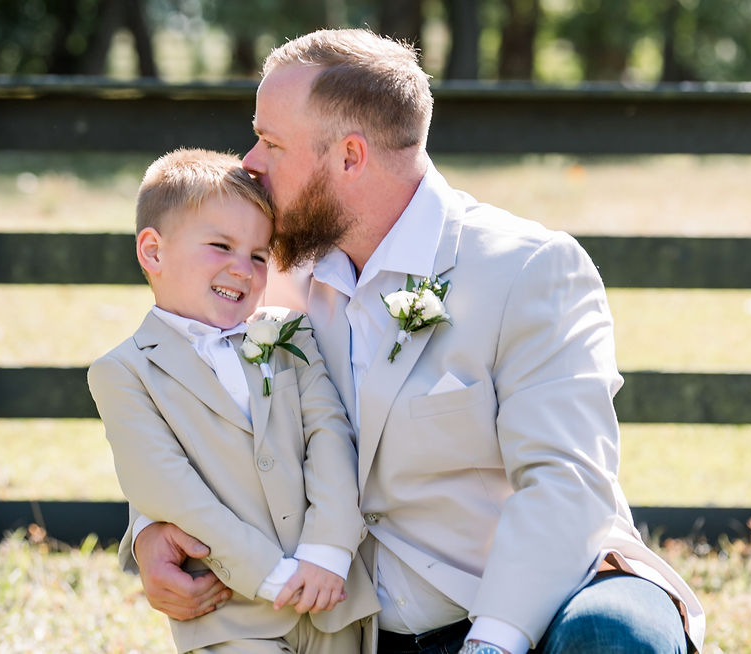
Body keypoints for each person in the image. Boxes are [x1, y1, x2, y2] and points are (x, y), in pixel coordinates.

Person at [129, 30, 706, 654]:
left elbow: (566, 484)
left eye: (271, 142)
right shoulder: (269, 274)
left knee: (615, 636)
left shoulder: (529, 269)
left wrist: (492, 644)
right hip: (359, 626)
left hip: (533, 613)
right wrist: (149, 532)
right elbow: (194, 401)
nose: (250, 163)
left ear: (350, 157)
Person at [87, 148, 380, 653]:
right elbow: (170, 488)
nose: (243, 269)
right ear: (153, 251)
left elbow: (330, 435)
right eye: (221, 246)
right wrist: (269, 576)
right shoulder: (124, 372)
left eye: (259, 255)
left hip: (334, 600)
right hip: (232, 613)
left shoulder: (289, 335)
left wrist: (328, 551)